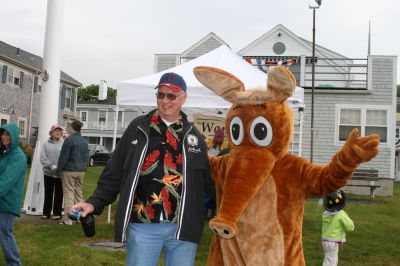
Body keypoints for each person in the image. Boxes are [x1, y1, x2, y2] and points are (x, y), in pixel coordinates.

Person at [72, 72, 213, 266]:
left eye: (171, 95)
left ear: (184, 98)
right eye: (160, 94)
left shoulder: (194, 137)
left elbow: (207, 183)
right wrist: (94, 203)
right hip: (143, 224)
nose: (165, 101)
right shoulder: (138, 128)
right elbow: (113, 173)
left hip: (183, 228)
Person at [0, 124, 27, 266]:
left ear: (14, 136)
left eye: (7, 134)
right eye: (2, 133)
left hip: (8, 202)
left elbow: (6, 181)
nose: (4, 136)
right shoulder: (6, 152)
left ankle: (14, 263)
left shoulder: (18, 157)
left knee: (4, 234)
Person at [57, 120, 88, 225]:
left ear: (72, 128)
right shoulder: (84, 141)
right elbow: (85, 157)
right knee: (78, 194)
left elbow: (63, 157)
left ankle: (70, 219)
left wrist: (58, 170)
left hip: (69, 170)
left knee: (69, 194)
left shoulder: (69, 140)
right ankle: (79, 218)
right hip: (81, 171)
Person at [321, 190, 354, 266]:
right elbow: (350, 227)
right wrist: (351, 223)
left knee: (328, 258)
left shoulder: (325, 214)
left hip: (325, 240)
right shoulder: (341, 214)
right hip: (333, 242)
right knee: (331, 261)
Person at [40, 124, 64, 220]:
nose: (58, 132)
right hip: (48, 172)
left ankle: (57, 213)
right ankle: (46, 213)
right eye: (56, 131)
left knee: (59, 193)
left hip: (60, 173)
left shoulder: (64, 143)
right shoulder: (45, 144)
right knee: (48, 193)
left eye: (59, 131)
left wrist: (59, 167)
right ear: (51, 133)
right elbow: (43, 158)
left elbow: (66, 157)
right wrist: (50, 166)